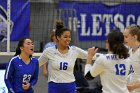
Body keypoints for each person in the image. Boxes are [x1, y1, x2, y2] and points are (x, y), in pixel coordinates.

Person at [38, 21, 99, 93]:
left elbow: (90, 55)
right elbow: (36, 64)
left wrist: (106, 56)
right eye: (65, 37)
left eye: (69, 37)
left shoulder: (74, 50)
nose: (68, 39)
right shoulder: (49, 51)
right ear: (58, 37)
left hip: (70, 86)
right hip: (54, 86)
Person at [123, 25, 140, 93]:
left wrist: (133, 87)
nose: (124, 39)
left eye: (126, 37)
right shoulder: (130, 52)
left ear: (135, 37)